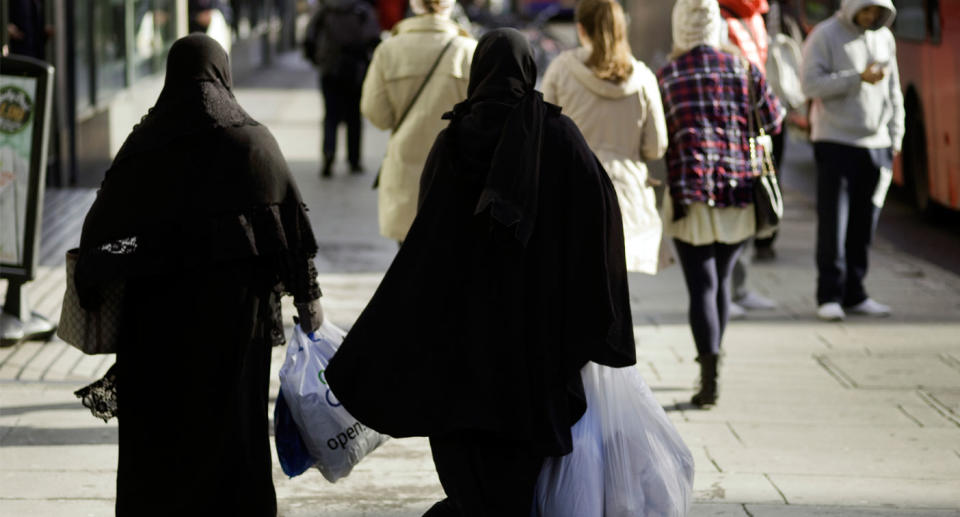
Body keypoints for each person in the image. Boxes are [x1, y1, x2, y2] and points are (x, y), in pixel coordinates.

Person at [325, 28, 637, 515]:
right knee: (515, 488)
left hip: (458, 353)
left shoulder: (452, 141)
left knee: (468, 486)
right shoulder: (559, 137)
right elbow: (600, 223)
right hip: (532, 354)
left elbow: (425, 237)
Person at [73, 35, 323, 516]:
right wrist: (308, 304)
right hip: (236, 327)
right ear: (223, 75)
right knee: (233, 430)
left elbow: (99, 231)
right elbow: (290, 229)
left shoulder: (145, 146)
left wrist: (97, 284)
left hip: (156, 328)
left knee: (161, 435)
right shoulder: (252, 143)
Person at [657, 0, 783, 407]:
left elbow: (658, 138)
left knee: (701, 287)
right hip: (738, 190)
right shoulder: (743, 68)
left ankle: (707, 373)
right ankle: (714, 366)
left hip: (690, 193)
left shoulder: (667, 74)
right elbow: (776, 120)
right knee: (722, 283)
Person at [541, 0, 668, 274]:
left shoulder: (561, 70)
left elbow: (544, 133)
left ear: (581, 28)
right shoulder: (643, 78)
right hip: (627, 195)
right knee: (618, 289)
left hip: (572, 190)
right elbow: (656, 147)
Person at [801, 0, 903, 321]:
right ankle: (829, 294)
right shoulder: (824, 35)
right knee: (834, 223)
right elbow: (810, 84)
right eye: (866, 9)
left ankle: (855, 293)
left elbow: (894, 90)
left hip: (877, 144)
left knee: (864, 223)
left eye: (877, 11)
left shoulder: (884, 37)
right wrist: (857, 78)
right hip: (835, 141)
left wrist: (895, 137)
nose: (871, 17)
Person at [359, 0, 476, 243]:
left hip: (406, 172)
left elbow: (376, 114)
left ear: (414, 3)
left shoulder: (389, 49)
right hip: (456, 172)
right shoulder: (468, 50)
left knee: (409, 262)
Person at [304, 0, 381, 177]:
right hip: (356, 71)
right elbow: (374, 39)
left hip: (329, 70)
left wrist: (318, 61)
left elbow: (309, 37)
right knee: (354, 116)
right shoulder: (362, 9)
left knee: (330, 116)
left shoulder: (325, 9)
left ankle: (328, 154)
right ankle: (354, 160)